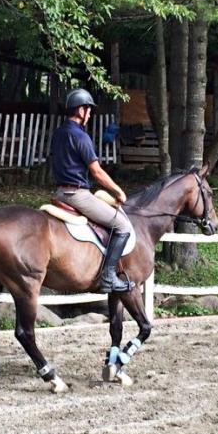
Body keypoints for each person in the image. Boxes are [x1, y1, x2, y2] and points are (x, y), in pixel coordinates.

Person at [49, 88, 134, 293]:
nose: (89, 113)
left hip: (60, 192)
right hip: (77, 195)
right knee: (122, 225)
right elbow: (96, 172)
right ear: (80, 110)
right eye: (88, 109)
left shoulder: (59, 133)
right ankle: (108, 277)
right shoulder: (80, 136)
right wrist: (118, 191)